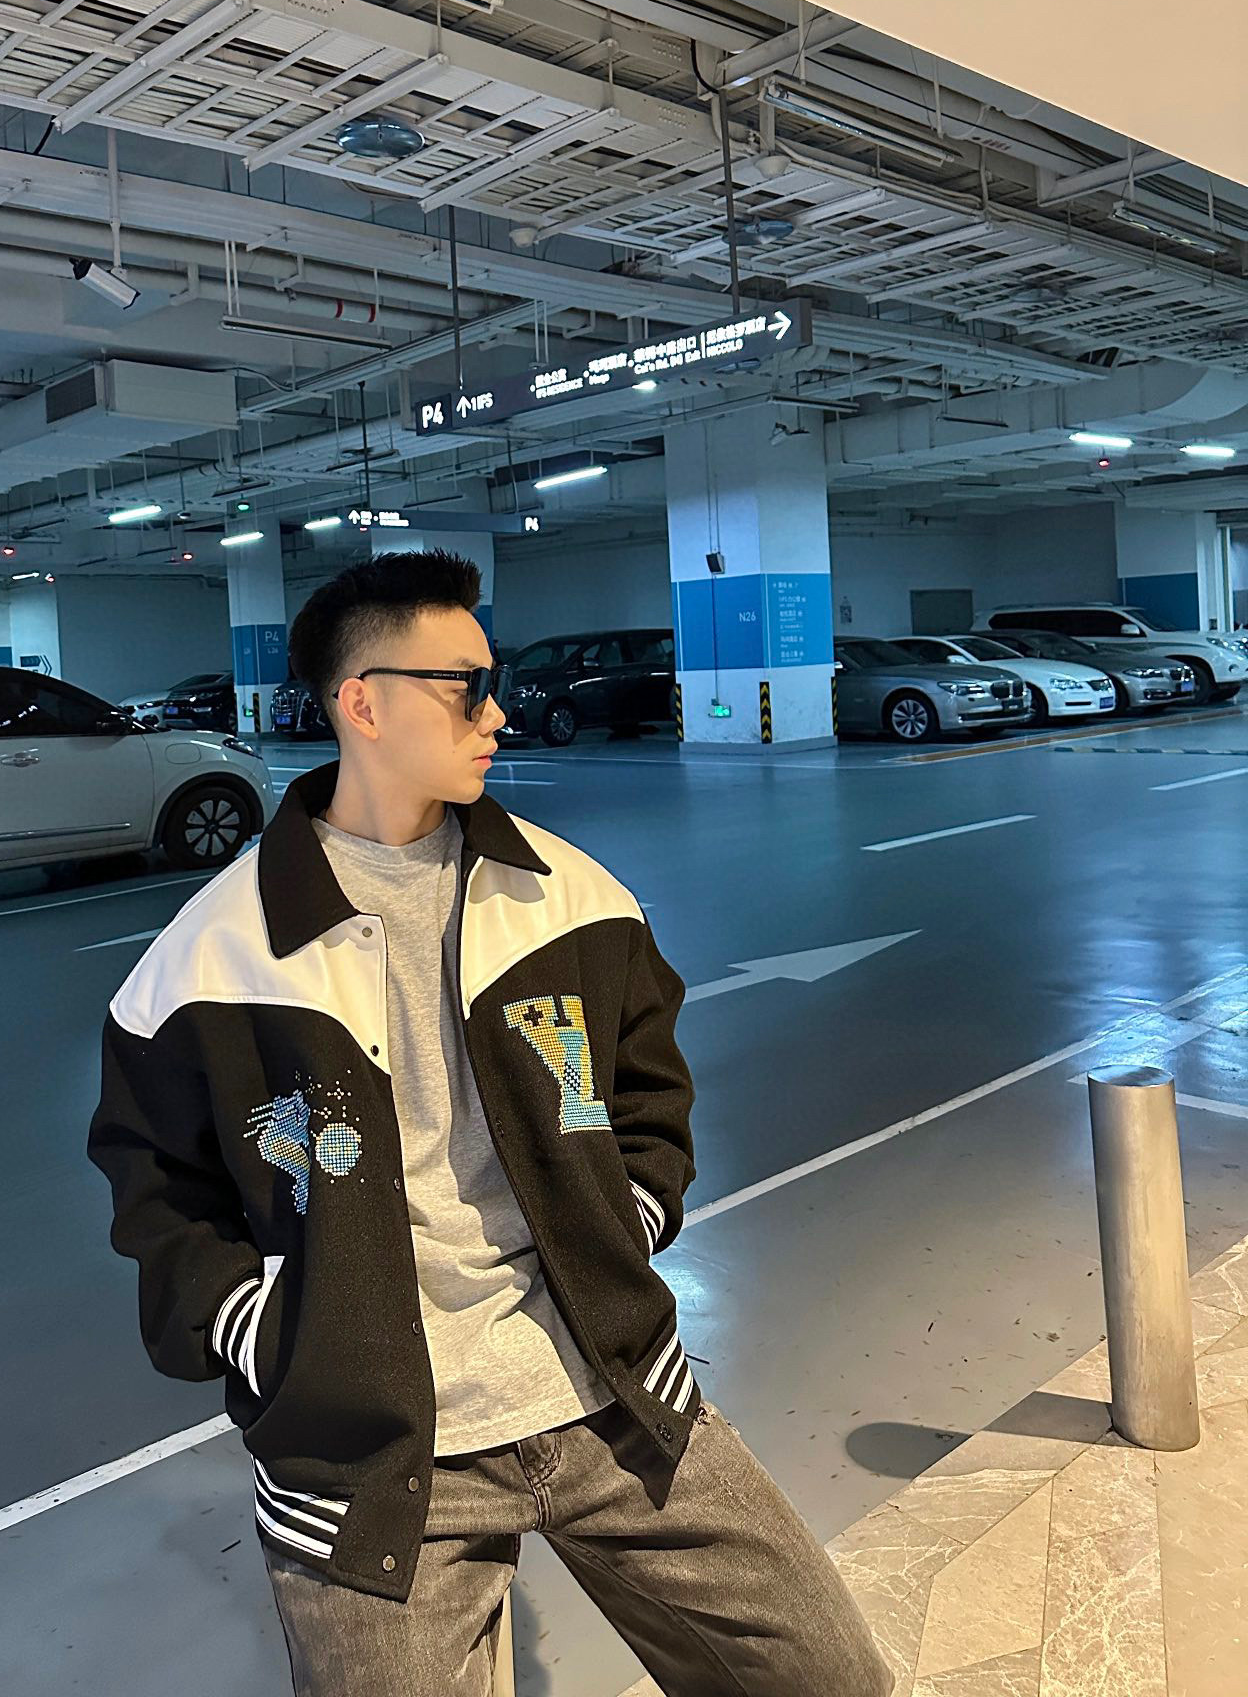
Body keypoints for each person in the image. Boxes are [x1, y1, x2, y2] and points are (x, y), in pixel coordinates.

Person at [88, 550, 889, 1696]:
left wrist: (622, 1223)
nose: (497, 713)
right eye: (465, 687)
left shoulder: (571, 899)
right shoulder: (215, 957)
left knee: (829, 1675)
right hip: (369, 1457)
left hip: (614, 1393)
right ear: (363, 704)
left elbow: (648, 1096)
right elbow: (158, 1189)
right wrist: (269, 1333)